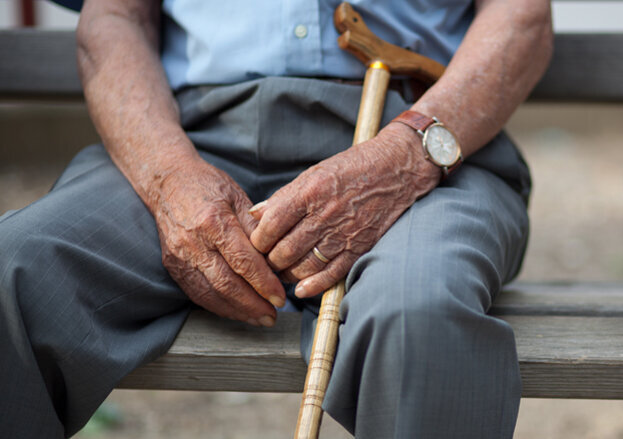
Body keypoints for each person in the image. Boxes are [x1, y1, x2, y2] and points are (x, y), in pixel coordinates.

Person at [0, 0, 552, 437]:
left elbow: (521, 14)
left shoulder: (413, 152)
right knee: (16, 269)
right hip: (185, 139)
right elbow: (115, 16)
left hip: (418, 141)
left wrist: (407, 155)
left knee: (421, 312)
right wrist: (168, 176)